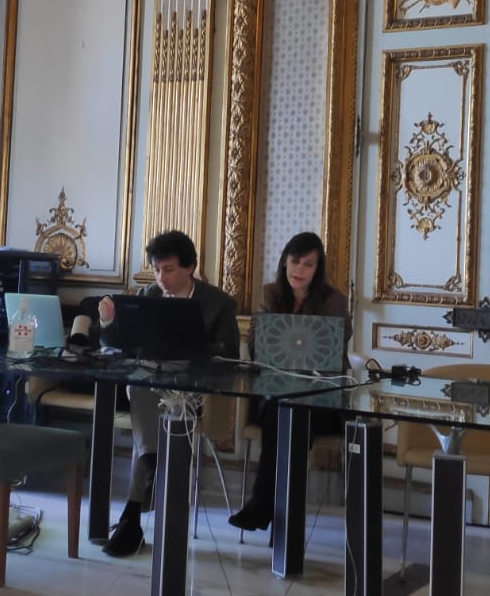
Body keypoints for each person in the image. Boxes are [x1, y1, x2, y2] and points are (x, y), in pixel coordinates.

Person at [97, 229, 238, 557]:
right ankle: (148, 476)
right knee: (143, 387)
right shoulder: (147, 295)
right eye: (157, 269)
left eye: (169, 269)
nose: (161, 278)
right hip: (151, 381)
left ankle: (135, 508)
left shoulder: (218, 303)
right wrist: (108, 322)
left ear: (190, 268)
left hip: (194, 387)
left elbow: (230, 354)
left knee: (167, 411)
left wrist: (194, 348)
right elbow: (118, 345)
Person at [227, 231, 350, 532]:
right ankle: (279, 517)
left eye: (308, 264)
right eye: (295, 262)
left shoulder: (334, 301)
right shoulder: (271, 293)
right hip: (276, 394)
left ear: (317, 269)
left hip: (322, 400)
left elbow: (333, 351)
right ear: (284, 262)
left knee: (291, 417)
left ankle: (262, 506)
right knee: (283, 414)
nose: (300, 270)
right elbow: (256, 344)